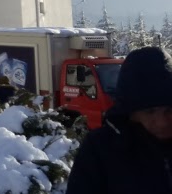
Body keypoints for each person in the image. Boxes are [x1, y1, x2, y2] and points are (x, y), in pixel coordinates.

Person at [67, 46, 172, 193]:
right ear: (130, 112)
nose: (162, 122)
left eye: (169, 110)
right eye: (150, 112)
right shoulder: (100, 150)